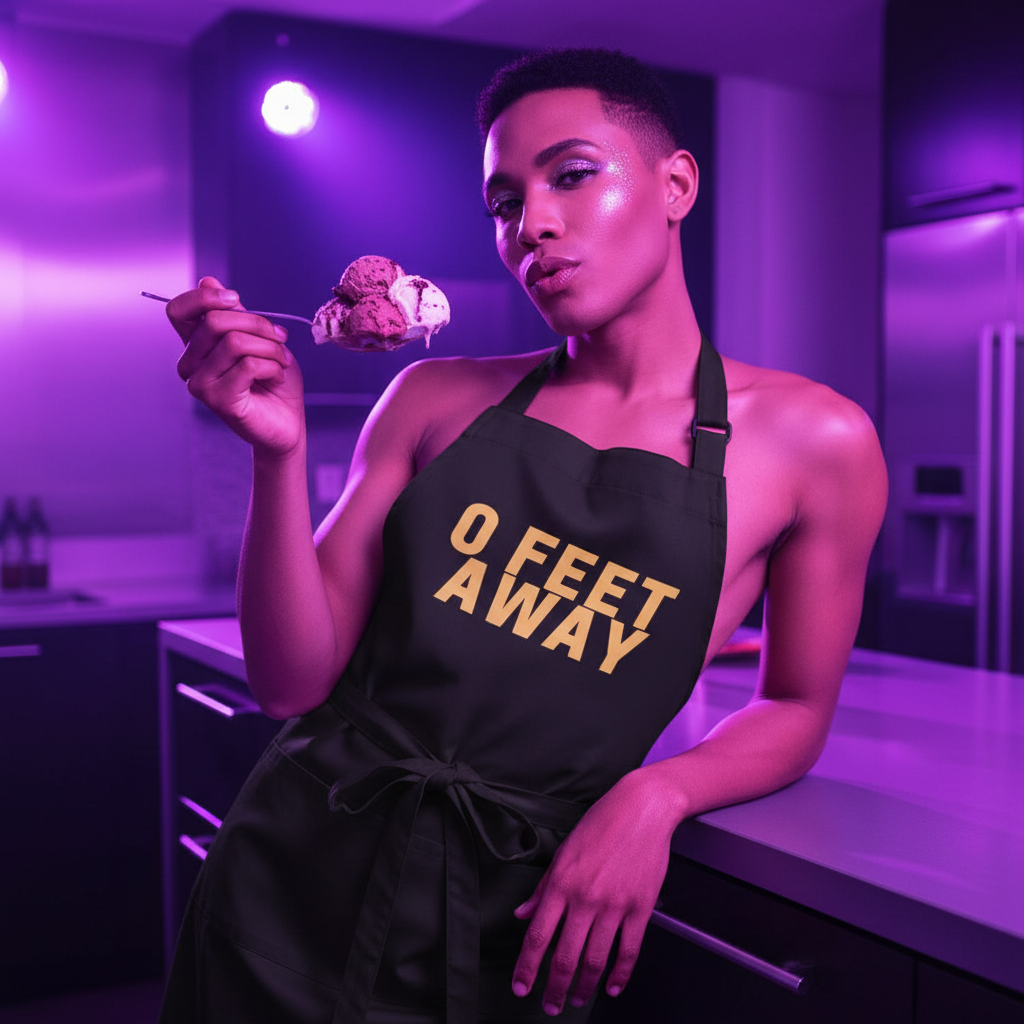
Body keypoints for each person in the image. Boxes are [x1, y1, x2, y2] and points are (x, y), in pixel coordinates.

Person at [160, 47, 887, 1024]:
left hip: (520, 922)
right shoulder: (430, 396)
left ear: (674, 185)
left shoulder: (814, 440)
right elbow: (291, 683)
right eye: (504, 202)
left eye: (573, 175)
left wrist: (655, 796)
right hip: (289, 877)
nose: (532, 224)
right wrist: (276, 456)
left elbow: (796, 704)